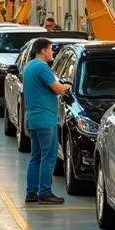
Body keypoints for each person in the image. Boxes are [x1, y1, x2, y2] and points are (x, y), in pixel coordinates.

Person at [21, 37, 70, 204]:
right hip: (45, 119)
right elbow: (56, 89)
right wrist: (66, 86)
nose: (52, 53)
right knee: (49, 157)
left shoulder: (29, 67)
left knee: (36, 156)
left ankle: (31, 192)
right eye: (50, 49)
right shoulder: (42, 68)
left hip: (32, 119)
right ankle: (45, 192)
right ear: (42, 50)